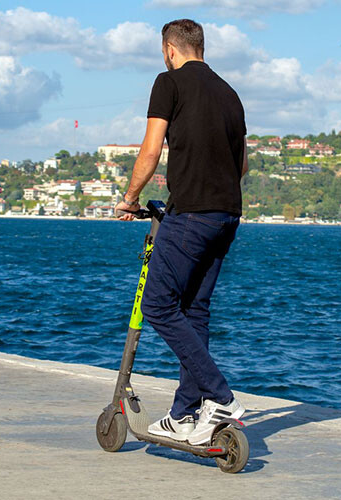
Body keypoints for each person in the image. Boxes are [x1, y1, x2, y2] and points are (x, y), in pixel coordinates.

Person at [115, 18, 248, 445]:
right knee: (195, 310)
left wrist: (130, 198)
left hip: (190, 213)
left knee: (157, 305)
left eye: (164, 53)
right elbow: (241, 166)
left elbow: (151, 148)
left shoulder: (167, 82)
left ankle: (220, 397)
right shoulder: (230, 94)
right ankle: (184, 413)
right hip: (227, 214)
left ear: (171, 50)